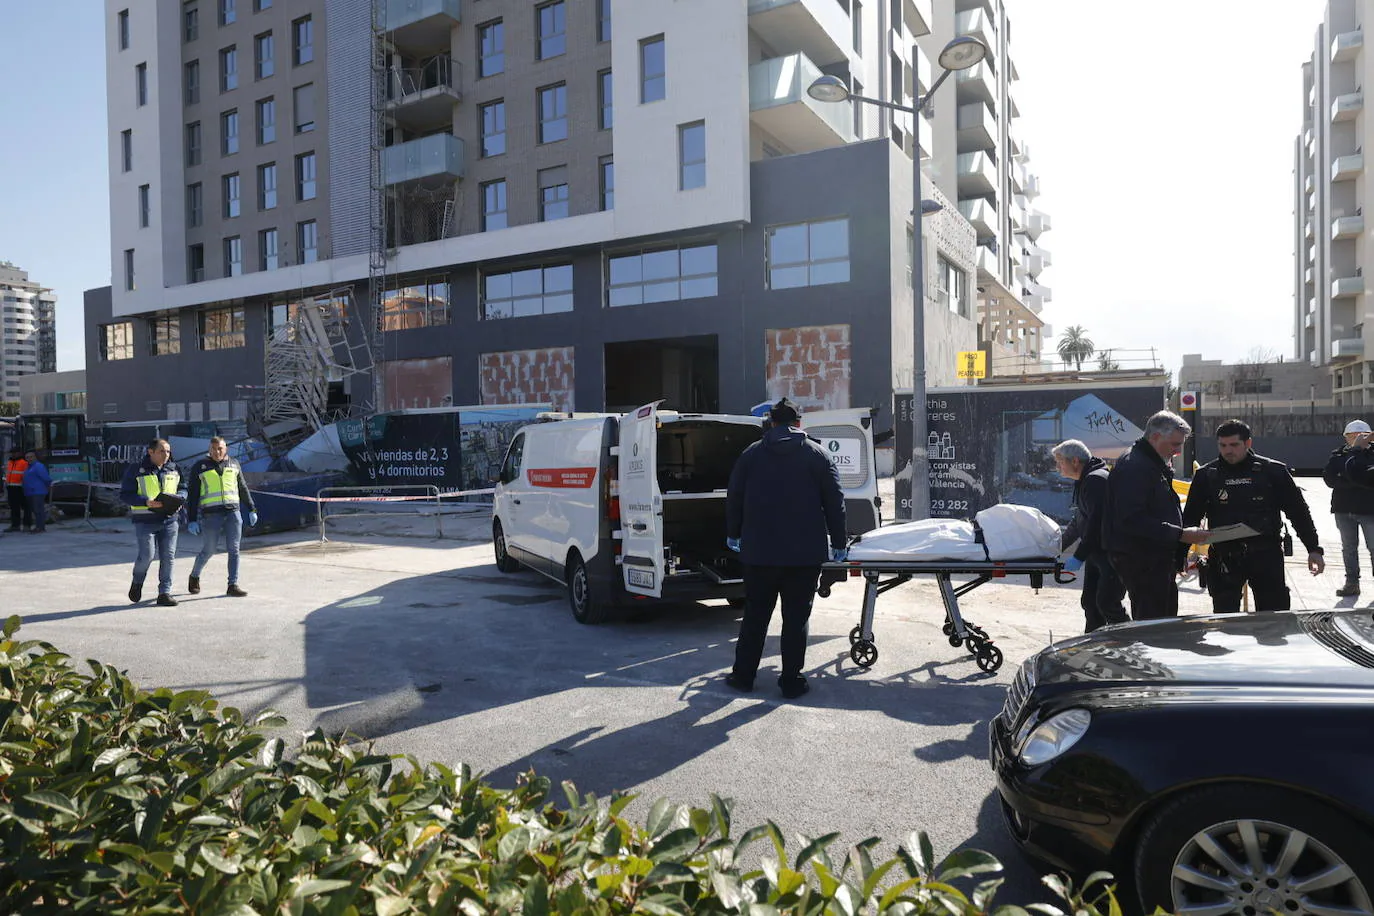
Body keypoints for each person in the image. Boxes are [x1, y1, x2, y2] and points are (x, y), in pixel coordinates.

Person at [724, 398, 847, 699]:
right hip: (803, 556)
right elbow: (835, 503)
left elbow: (734, 497)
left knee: (755, 616)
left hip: (759, 554)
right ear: (798, 424)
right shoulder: (817, 455)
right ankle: (791, 681)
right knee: (796, 619)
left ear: (770, 423)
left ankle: (743, 677)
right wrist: (840, 544)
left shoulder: (751, 455)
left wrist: (733, 534)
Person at [1181, 419, 1324, 612]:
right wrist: (1179, 555)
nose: (1228, 450)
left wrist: (1313, 548)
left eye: (1234, 445)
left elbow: (1298, 512)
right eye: (1222, 445)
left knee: (1272, 619)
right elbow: (1190, 518)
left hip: (1266, 555)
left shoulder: (1272, 471)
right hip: (1225, 557)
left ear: (1248, 443)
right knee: (1225, 619)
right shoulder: (1207, 475)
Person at [1102, 410, 1209, 620]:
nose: (1178, 452)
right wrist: (1180, 534)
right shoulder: (1135, 466)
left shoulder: (1150, 461)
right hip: (1142, 559)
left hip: (1154, 558)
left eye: (1181, 445)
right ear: (1155, 436)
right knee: (1153, 625)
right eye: (1174, 444)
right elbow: (1131, 520)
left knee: (1164, 620)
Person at [1052, 439, 1127, 632]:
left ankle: (1131, 641)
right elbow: (1079, 521)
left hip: (1111, 553)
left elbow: (1096, 522)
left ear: (1075, 461)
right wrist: (1055, 548)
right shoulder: (1085, 480)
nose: (1058, 467)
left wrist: (1078, 556)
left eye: (1060, 462)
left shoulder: (1096, 480)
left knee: (1107, 603)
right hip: (1097, 553)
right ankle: (1094, 645)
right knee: (1090, 603)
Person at [186, 436, 258, 597]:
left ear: (226, 449)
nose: (217, 452)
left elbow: (242, 487)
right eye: (214, 449)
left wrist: (252, 508)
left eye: (220, 448)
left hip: (233, 512)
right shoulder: (200, 467)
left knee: (234, 550)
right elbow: (193, 495)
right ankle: (194, 576)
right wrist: (191, 519)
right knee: (209, 550)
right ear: (209, 449)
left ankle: (232, 584)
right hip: (211, 515)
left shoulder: (234, 464)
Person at [120, 439, 185, 607]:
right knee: (146, 556)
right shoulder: (136, 469)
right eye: (162, 451)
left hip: (170, 520)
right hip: (145, 521)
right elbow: (125, 495)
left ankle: (164, 593)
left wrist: (181, 499)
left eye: (168, 452)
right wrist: (145, 501)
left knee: (168, 557)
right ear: (151, 452)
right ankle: (137, 582)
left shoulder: (174, 468)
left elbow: (183, 487)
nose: (166, 455)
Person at [1323, 419, 1374, 597]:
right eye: (1353, 436)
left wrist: (1346, 477)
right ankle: (1352, 583)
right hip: (1343, 509)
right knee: (1348, 547)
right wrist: (1355, 479)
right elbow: (1329, 479)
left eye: (1363, 436)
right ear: (1346, 437)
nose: (1358, 438)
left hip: (1369, 510)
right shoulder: (1337, 455)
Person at [21, 450, 51, 533]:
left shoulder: (38, 466)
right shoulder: (28, 467)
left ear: (35, 457)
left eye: (31, 457)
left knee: (38, 510)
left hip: (38, 491)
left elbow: (46, 478)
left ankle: (40, 527)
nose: (29, 459)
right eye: (27, 457)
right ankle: (38, 526)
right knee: (35, 510)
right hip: (29, 492)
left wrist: (47, 487)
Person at [6, 447, 31, 532]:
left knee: (26, 507)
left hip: (21, 488)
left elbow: (27, 476)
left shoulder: (24, 463)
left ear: (20, 453)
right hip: (11, 488)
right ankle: (15, 525)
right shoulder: (10, 462)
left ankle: (27, 525)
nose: (13, 454)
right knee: (14, 507)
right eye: (12, 452)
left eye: (15, 452)